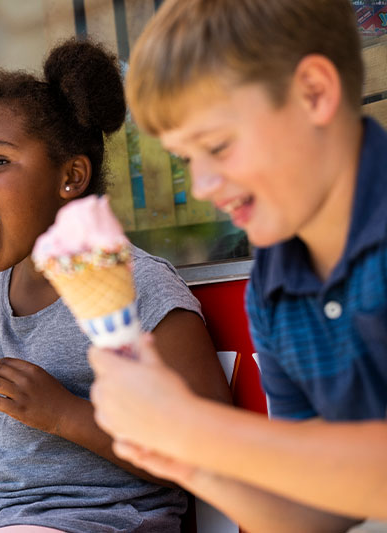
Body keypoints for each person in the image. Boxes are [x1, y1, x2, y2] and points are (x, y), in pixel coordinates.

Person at [0, 38, 232, 533]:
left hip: (93, 520)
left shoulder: (141, 286)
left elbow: (215, 449)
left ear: (71, 177)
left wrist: (66, 415)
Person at [87, 1, 387, 531]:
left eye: (218, 145)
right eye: (186, 158)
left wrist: (195, 427)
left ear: (314, 93)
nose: (201, 186)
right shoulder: (275, 285)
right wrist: (190, 461)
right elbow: (316, 509)